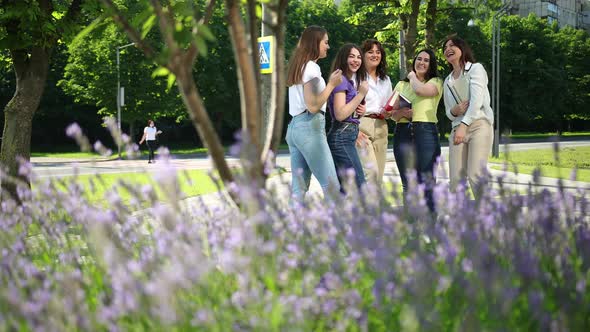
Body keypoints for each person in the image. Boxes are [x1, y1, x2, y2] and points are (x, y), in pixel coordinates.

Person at [285, 25, 343, 201]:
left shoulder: (300, 66)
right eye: (325, 42)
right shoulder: (311, 68)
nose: (328, 46)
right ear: (315, 43)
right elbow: (312, 105)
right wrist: (332, 84)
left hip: (294, 128)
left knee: (298, 189)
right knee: (332, 186)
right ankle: (338, 228)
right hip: (309, 127)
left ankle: (294, 227)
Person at [391, 49, 443, 211]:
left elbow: (420, 90)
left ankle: (430, 224)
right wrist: (401, 113)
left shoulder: (436, 82)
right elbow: (392, 114)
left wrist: (412, 76)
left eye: (426, 60)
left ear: (431, 64)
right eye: (419, 59)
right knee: (408, 182)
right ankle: (411, 224)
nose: (421, 62)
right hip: (402, 132)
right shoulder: (401, 85)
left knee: (427, 181)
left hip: (426, 132)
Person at [442, 36, 494, 196]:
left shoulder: (476, 69)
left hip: (479, 125)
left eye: (452, 46)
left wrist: (464, 126)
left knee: (476, 175)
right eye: (445, 48)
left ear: (462, 48)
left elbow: (477, 101)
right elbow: (448, 112)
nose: (448, 49)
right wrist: (454, 111)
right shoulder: (448, 81)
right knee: (456, 181)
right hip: (457, 129)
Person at [326, 43, 369, 190]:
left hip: (345, 135)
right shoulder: (341, 80)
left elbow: (346, 111)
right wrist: (361, 94)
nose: (356, 60)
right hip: (341, 136)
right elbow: (340, 114)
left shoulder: (347, 81)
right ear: (343, 58)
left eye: (358, 57)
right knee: (359, 185)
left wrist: (359, 111)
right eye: (351, 56)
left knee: (345, 188)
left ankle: (339, 213)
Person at [356, 39, 392, 184]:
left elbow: (389, 107)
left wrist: (389, 112)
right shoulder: (356, 77)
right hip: (362, 124)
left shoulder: (386, 80)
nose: (375, 55)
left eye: (378, 52)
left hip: (382, 125)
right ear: (363, 55)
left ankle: (374, 207)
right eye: (370, 52)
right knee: (371, 173)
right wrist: (355, 130)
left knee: (378, 176)